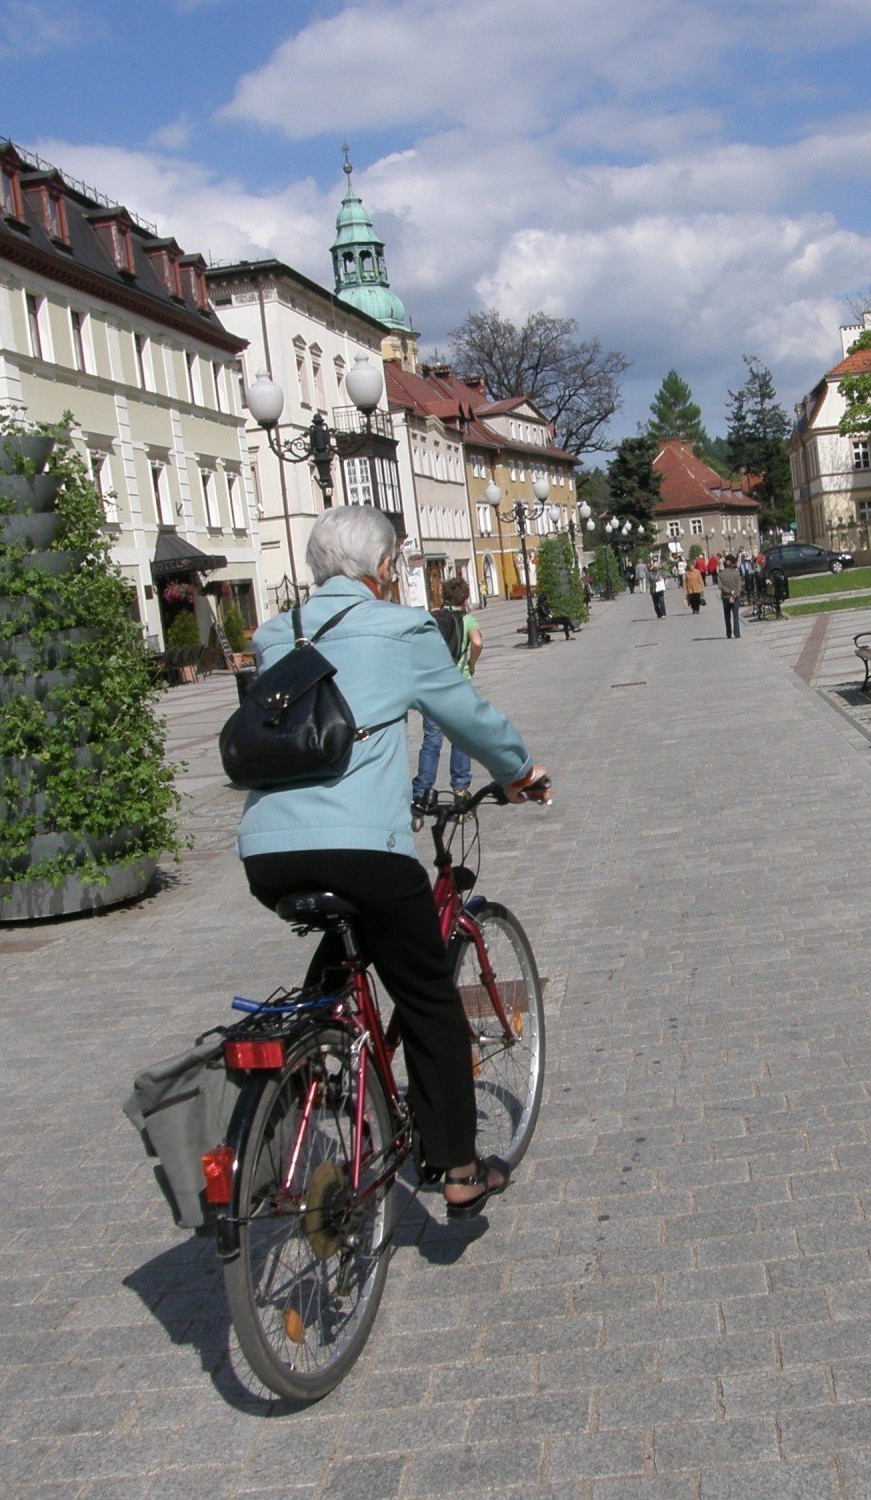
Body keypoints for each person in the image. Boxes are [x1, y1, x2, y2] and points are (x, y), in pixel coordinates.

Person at [236, 506, 551, 1218]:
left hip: (268, 856)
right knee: (428, 991)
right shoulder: (400, 629)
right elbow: (465, 715)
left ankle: (313, 1061)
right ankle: (461, 1168)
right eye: (397, 565)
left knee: (343, 955)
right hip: (360, 852)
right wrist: (520, 772)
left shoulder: (272, 635)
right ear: (382, 570)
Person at [410, 576, 483, 807]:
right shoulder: (468, 619)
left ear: (444, 597)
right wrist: (472, 663)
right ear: (466, 598)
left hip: (432, 686)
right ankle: (460, 789)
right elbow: (478, 642)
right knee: (460, 738)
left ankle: (422, 793)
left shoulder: (432, 618)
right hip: (456, 685)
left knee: (431, 740)